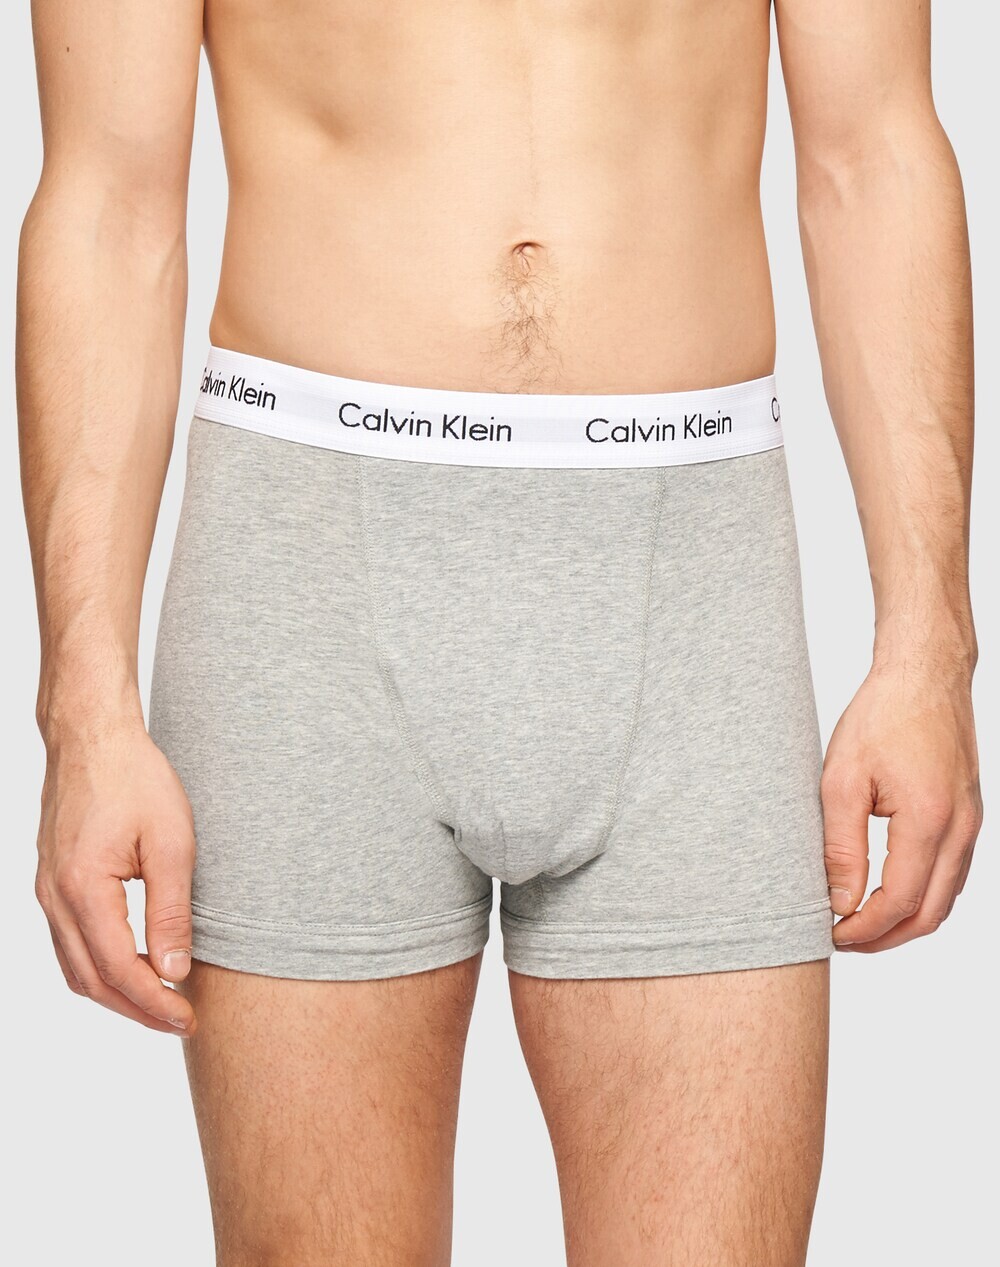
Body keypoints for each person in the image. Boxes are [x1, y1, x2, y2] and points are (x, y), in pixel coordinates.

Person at [16, 2, 982, 1264]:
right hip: (309, 563)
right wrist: (83, 706)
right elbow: (108, 199)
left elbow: (875, 151)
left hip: (690, 572)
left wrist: (929, 647)